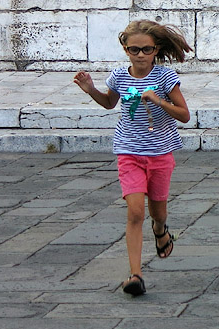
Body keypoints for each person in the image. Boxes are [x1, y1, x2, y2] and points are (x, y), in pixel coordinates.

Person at [72, 20, 192, 297]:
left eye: (146, 49)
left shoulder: (165, 78)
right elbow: (109, 103)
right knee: (135, 211)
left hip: (160, 153)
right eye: (134, 49)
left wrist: (160, 101)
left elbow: (184, 115)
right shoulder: (119, 77)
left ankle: (160, 230)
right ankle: (135, 274)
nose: (140, 54)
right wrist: (90, 90)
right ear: (126, 50)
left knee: (157, 213)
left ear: (155, 50)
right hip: (129, 152)